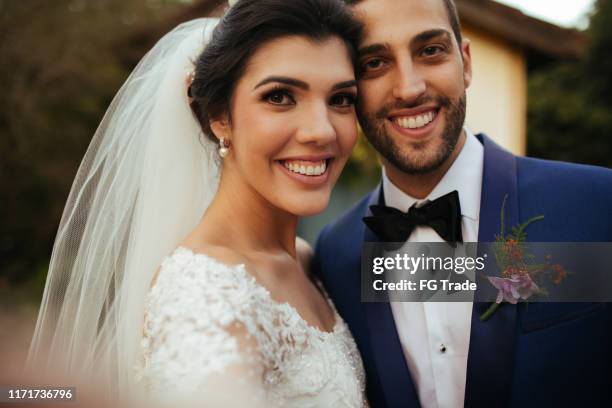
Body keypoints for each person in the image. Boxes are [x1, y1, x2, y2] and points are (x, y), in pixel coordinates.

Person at [27, 0, 369, 406]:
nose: (321, 131)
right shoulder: (205, 298)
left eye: (341, 99)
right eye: (280, 96)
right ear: (217, 115)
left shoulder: (308, 261)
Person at [312, 0, 612, 407]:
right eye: (375, 62)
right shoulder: (335, 254)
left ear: (465, 62)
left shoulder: (596, 205)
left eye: (430, 51)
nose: (410, 88)